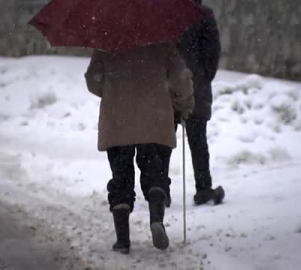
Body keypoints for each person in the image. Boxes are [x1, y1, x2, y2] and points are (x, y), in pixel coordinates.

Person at [85, 44, 194, 253]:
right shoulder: (161, 40)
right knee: (156, 174)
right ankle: (156, 219)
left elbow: (93, 80)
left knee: (121, 178)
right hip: (155, 118)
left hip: (118, 119)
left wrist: (112, 91)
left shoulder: (107, 41)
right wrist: (184, 104)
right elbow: (181, 78)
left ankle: (123, 240)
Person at [165, 0, 224, 206]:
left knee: (164, 139)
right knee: (198, 140)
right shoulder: (203, 15)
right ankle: (203, 188)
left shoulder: (165, 13)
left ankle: (160, 189)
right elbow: (212, 52)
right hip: (195, 84)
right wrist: (203, 76)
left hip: (169, 85)